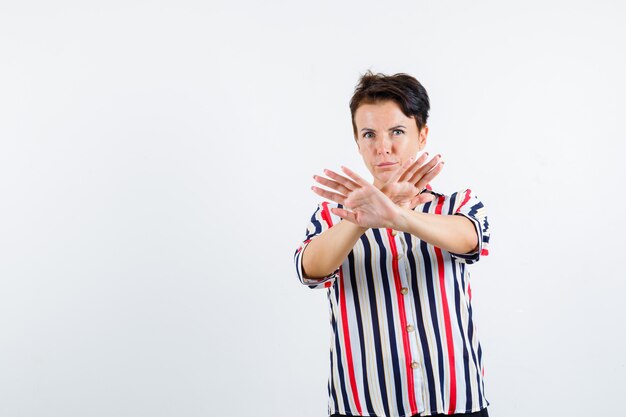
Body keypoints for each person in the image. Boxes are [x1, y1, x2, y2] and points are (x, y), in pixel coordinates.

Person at [293, 71, 491, 417]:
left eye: (397, 131)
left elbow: (470, 238)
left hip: (456, 405)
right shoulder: (333, 217)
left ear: (422, 134)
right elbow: (311, 268)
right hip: (364, 407)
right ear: (357, 142)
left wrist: (397, 215)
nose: (383, 147)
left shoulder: (456, 205)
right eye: (369, 134)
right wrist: (360, 218)